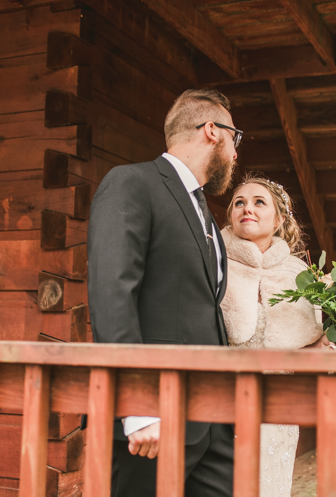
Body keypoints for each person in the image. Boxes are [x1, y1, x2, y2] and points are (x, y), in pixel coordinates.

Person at [87, 89, 240, 496]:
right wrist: (137, 406)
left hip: (214, 424)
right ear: (212, 131)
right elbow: (112, 293)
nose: (236, 152)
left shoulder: (205, 213)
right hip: (153, 420)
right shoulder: (131, 183)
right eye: (235, 138)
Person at [220, 175, 331, 497]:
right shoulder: (212, 264)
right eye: (239, 202)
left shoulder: (300, 274)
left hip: (278, 409)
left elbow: (312, 343)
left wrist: (325, 345)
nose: (247, 209)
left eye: (258, 202)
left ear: (280, 219)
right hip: (219, 403)